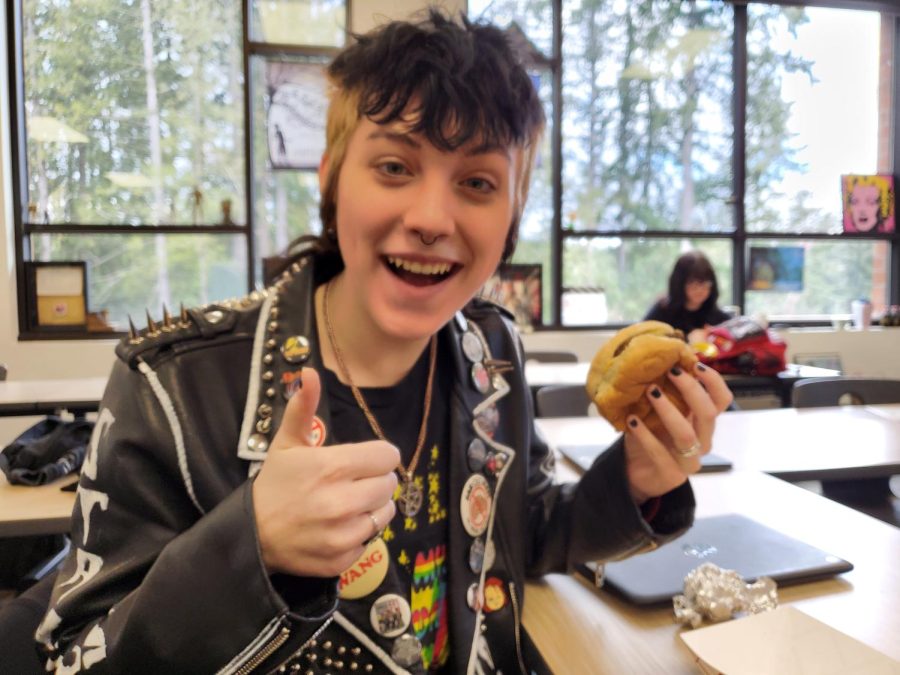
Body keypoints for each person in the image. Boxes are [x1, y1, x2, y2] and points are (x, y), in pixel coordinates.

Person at [34, 11, 732, 674]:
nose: (431, 218)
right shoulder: (172, 387)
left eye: (478, 182)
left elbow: (519, 533)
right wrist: (250, 548)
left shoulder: (491, 353)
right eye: (395, 167)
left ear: (512, 215)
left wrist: (639, 479)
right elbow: (72, 656)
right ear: (332, 179)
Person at [644, 250, 732, 344]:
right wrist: (687, 340)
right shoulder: (662, 312)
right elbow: (643, 343)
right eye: (692, 283)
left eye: (705, 283)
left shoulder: (717, 316)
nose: (699, 290)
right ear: (679, 283)